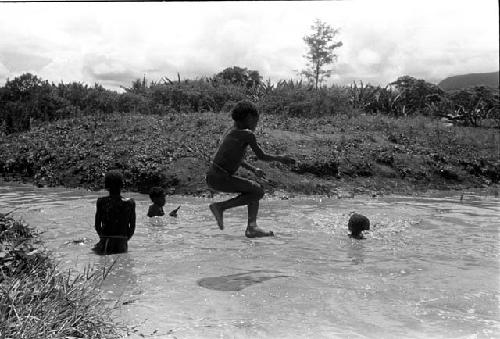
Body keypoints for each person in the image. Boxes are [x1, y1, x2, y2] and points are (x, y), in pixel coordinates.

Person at [206, 100, 295, 238]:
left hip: (214, 176)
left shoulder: (231, 132)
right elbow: (262, 156)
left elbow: (233, 157)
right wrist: (281, 158)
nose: (256, 125)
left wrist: (253, 169)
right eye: (256, 121)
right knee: (258, 191)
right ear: (249, 118)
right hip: (220, 177)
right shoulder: (247, 134)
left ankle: (252, 227)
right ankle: (221, 207)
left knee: (254, 190)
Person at [93, 171, 136, 254]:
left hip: (105, 240)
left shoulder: (101, 202)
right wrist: (124, 240)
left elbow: (97, 226)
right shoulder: (130, 203)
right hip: (122, 241)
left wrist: (103, 238)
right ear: (122, 185)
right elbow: (132, 228)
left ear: (106, 186)